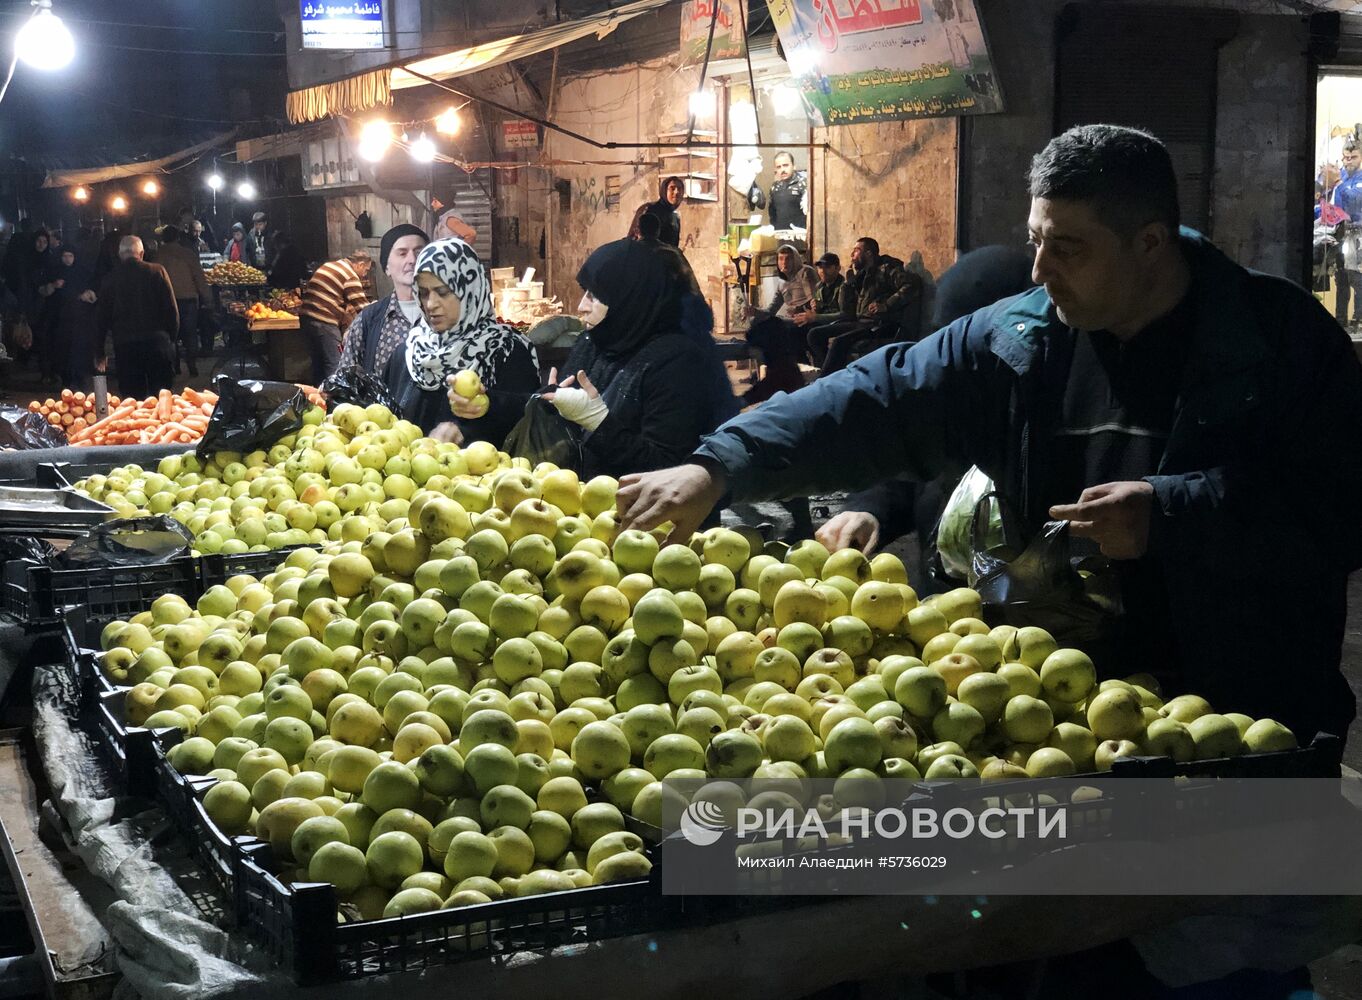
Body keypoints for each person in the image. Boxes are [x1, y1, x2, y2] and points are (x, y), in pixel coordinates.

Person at [617, 123, 1362, 749]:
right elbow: (884, 395)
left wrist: (1171, 516)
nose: (1039, 269)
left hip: (1251, 732)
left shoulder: (1281, 340)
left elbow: (1343, 508)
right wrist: (719, 466)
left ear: (1150, 243)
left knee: (1239, 922)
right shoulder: (1023, 336)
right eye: (1035, 241)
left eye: (1067, 248)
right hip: (1072, 724)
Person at [817, 244, 1036, 590]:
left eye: (969, 347)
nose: (954, 361)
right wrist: (868, 510)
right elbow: (906, 465)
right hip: (938, 626)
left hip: (1025, 634)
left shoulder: (1052, 418)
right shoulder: (949, 393)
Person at [455, 238, 730, 479]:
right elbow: (560, 402)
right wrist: (490, 402)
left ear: (628, 299)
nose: (581, 306)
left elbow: (670, 469)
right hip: (585, 511)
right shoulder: (597, 341)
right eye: (584, 292)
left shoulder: (678, 364)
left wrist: (598, 422)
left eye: (595, 296)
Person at [388, 237, 539, 445]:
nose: (431, 304)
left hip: (485, 475)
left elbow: (532, 414)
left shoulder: (505, 349)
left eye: (443, 292)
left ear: (469, 289)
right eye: (423, 293)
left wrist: (486, 409)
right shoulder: (411, 350)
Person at [806, 236, 921, 375]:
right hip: (861, 322)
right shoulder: (863, 274)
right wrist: (849, 283)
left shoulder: (886, 269)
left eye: (856, 251)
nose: (851, 255)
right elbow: (848, 311)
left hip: (880, 324)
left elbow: (912, 285)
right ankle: (831, 374)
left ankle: (827, 379)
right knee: (814, 334)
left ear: (868, 253)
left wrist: (886, 305)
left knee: (839, 342)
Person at [338, 224, 429, 374]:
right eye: (402, 253)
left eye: (419, 252)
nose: (412, 260)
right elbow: (346, 378)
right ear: (387, 267)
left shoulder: (448, 315)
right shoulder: (370, 319)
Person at [96, 236, 179, 398]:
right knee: (162, 397)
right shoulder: (157, 271)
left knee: (133, 399)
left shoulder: (110, 279)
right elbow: (171, 310)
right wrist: (171, 339)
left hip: (126, 346)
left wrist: (99, 352)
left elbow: (101, 318)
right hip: (157, 344)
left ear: (120, 255)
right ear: (141, 254)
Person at [742, 243, 819, 404]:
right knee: (761, 323)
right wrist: (754, 311)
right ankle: (762, 370)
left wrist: (801, 309)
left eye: (788, 259)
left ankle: (792, 369)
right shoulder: (781, 283)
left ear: (796, 259)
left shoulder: (805, 273)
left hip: (806, 319)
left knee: (779, 328)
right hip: (791, 319)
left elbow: (814, 300)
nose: (784, 263)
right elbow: (771, 310)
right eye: (781, 259)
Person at [299, 250, 373, 384]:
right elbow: (362, 308)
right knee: (335, 363)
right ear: (360, 265)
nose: (365, 275)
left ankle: (318, 398)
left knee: (318, 364)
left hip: (306, 318)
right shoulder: (350, 275)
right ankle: (335, 399)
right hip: (323, 319)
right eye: (366, 270)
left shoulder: (331, 265)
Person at [155, 225, 212, 376]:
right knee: (190, 333)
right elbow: (198, 277)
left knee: (171, 334)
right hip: (188, 299)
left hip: (167, 300)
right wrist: (207, 298)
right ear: (178, 238)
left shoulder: (158, 255)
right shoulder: (187, 254)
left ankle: (176, 366)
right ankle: (192, 364)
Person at [46, 246, 99, 391]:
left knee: (79, 349)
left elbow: (91, 288)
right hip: (62, 319)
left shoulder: (83, 272)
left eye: (70, 256)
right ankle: (66, 379)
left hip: (80, 319)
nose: (67, 259)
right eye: (65, 256)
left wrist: (85, 295)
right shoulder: (57, 272)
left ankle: (80, 377)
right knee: (64, 349)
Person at [1333, 143, 1362, 330]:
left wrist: (1338, 184)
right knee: (1341, 278)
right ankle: (1340, 321)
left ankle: (1358, 319)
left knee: (1357, 279)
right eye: (1346, 157)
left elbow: (1354, 201)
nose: (1348, 161)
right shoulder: (1341, 176)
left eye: (1353, 157)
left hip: (1358, 234)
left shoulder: (1357, 179)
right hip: (1341, 233)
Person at [767, 150, 809, 230]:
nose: (782, 170)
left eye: (785, 165)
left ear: (794, 166)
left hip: (799, 234)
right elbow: (772, 213)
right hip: (779, 234)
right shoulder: (775, 187)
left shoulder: (803, 184)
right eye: (779, 167)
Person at [642, 177, 684, 248]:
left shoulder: (675, 216)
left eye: (679, 189)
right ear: (664, 190)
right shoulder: (650, 210)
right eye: (672, 188)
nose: (676, 192)